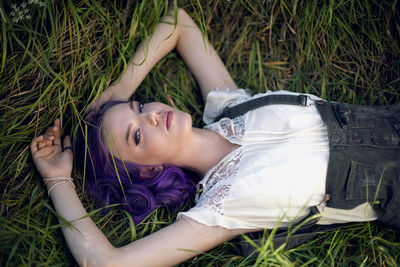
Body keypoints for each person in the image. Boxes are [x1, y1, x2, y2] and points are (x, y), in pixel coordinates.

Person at [30, 8, 399, 266]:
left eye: (141, 106)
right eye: (137, 135)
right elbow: (104, 262)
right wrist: (58, 179)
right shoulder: (218, 211)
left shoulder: (231, 107)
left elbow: (179, 23)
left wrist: (120, 89)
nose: (153, 115)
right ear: (146, 172)